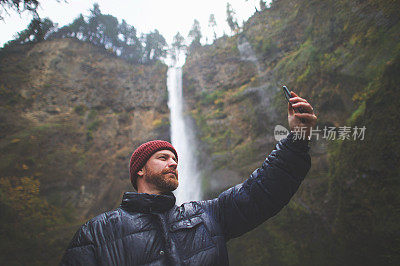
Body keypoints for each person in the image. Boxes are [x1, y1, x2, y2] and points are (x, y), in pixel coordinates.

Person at [60, 91, 317, 265]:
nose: (173, 163)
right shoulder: (97, 233)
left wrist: (296, 141)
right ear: (139, 169)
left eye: (175, 159)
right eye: (163, 157)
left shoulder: (208, 216)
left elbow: (260, 191)